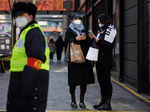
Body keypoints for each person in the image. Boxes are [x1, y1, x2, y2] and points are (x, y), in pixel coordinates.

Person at [7, 2, 50, 112]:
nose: (18, 18)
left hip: (31, 83)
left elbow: (36, 58)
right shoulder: (25, 32)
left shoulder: (33, 32)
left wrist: (26, 86)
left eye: (22, 15)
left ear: (31, 16)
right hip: (22, 80)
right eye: (16, 16)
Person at [64, 12, 95, 109]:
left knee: (84, 81)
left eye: (79, 19)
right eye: (75, 18)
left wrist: (87, 38)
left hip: (85, 60)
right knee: (73, 81)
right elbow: (67, 42)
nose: (77, 20)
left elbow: (90, 42)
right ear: (71, 20)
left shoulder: (85, 29)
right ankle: (73, 100)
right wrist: (75, 39)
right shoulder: (69, 30)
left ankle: (81, 100)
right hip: (74, 59)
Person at [91, 15, 116, 110]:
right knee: (101, 81)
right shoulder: (101, 30)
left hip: (106, 60)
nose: (98, 23)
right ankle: (102, 101)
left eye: (99, 21)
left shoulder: (111, 30)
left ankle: (108, 103)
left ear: (104, 21)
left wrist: (97, 40)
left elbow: (108, 45)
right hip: (99, 59)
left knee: (106, 82)